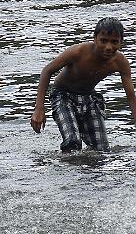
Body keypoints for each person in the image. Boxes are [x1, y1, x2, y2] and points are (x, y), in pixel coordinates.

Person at [31, 17, 136, 152]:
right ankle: (67, 170)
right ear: (94, 38)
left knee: (102, 150)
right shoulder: (78, 51)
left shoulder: (121, 62)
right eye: (103, 41)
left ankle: (87, 170)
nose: (108, 47)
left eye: (114, 42)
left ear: (121, 42)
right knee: (72, 141)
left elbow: (131, 95)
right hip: (62, 95)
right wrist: (39, 108)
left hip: (89, 98)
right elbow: (47, 71)